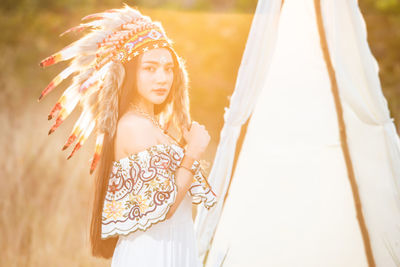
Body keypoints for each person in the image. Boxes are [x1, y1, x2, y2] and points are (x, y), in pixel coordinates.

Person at [38, 4, 217, 266]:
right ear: (132, 73)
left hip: (171, 251)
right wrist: (192, 153)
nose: (162, 78)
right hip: (151, 255)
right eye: (150, 68)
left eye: (169, 69)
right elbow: (164, 206)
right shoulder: (132, 126)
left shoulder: (153, 125)